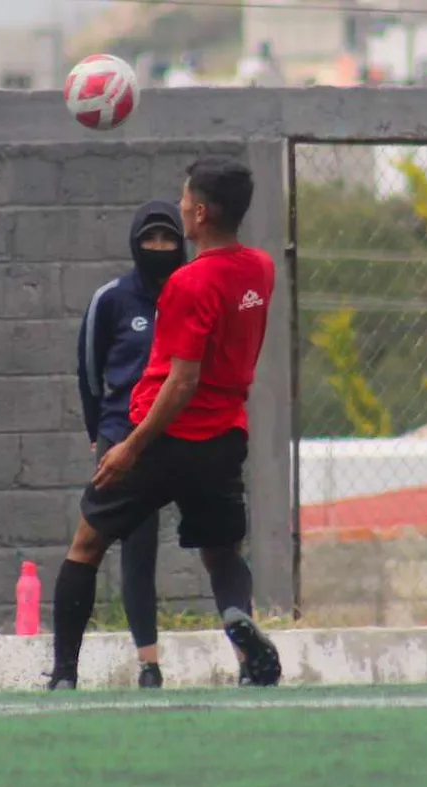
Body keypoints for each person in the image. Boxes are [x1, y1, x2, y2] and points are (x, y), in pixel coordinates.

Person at [48, 156, 281, 691]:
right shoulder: (261, 270)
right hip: (225, 440)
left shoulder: (187, 284)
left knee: (86, 544)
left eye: (183, 200)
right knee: (221, 551)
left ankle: (63, 674)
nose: (179, 207)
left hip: (163, 441)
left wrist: (131, 447)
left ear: (199, 213)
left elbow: (181, 382)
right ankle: (238, 628)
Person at [77, 200, 186, 689]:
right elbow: (89, 371)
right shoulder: (113, 299)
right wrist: (98, 435)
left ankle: (246, 649)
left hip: (191, 437)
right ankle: (149, 663)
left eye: (168, 240)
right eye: (151, 240)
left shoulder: (194, 293)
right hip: (125, 440)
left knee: (220, 541)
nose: (160, 248)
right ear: (135, 243)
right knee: (134, 550)